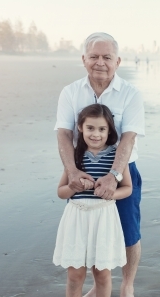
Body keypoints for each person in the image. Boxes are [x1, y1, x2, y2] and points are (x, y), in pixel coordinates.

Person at [55, 32, 145, 297]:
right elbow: (63, 133)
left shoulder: (131, 93)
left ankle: (127, 284)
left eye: (107, 57)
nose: (100, 62)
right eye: (94, 56)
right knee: (88, 231)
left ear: (118, 61)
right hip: (80, 168)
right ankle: (97, 282)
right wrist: (71, 172)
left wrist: (115, 175)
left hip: (125, 167)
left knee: (129, 230)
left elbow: (129, 137)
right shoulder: (70, 92)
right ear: (84, 59)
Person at [53, 104, 132, 297]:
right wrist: (72, 186)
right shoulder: (74, 156)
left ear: (109, 130)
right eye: (90, 128)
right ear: (80, 127)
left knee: (103, 274)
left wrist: (110, 194)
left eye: (102, 129)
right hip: (76, 218)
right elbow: (60, 192)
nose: (96, 134)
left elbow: (128, 188)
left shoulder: (116, 157)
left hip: (104, 217)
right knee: (75, 274)